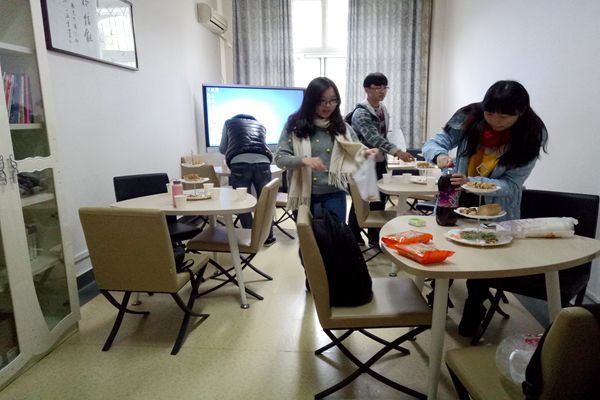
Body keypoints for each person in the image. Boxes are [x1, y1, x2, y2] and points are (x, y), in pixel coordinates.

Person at [422, 80, 548, 336]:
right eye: (490, 113)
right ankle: (438, 293)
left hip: (496, 208)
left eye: (505, 116)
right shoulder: (469, 117)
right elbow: (437, 141)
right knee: (446, 248)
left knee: (483, 257)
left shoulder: (531, 135)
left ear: (521, 112)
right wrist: (440, 155)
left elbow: (512, 185)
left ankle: (475, 305)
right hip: (455, 199)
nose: (496, 121)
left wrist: (473, 181)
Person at [274, 77, 378, 222]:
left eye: (333, 100)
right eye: (322, 101)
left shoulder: (342, 127)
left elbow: (356, 150)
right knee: (307, 236)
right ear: (311, 101)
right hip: (304, 195)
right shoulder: (295, 126)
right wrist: (304, 160)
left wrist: (367, 153)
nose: (328, 106)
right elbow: (280, 159)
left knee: (335, 235)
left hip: (334, 193)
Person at [347, 72, 414, 245]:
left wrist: (389, 153)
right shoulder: (361, 113)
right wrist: (397, 151)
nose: (382, 91)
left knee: (379, 198)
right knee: (361, 200)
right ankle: (354, 237)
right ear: (367, 89)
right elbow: (373, 138)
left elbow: (383, 135)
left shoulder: (382, 108)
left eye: (384, 87)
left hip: (378, 161)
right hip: (362, 162)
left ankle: (374, 236)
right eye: (377, 87)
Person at [220, 114, 276, 246]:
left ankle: (251, 236)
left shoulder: (229, 123)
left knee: (242, 201)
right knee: (266, 200)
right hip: (263, 162)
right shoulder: (260, 125)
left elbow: (222, 148)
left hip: (239, 163)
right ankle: (268, 237)